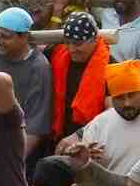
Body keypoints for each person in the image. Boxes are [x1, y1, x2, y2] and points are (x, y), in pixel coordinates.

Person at [0, 7, 53, 166]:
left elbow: (36, 126)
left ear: (23, 37)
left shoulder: (38, 67)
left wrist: (15, 161)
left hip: (18, 143)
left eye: (5, 36)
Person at [47, 13, 110, 144]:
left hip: (92, 140)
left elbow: (111, 114)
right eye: (67, 43)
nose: (71, 49)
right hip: (58, 135)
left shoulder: (111, 67)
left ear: (94, 40)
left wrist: (80, 135)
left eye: (78, 44)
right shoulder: (57, 54)